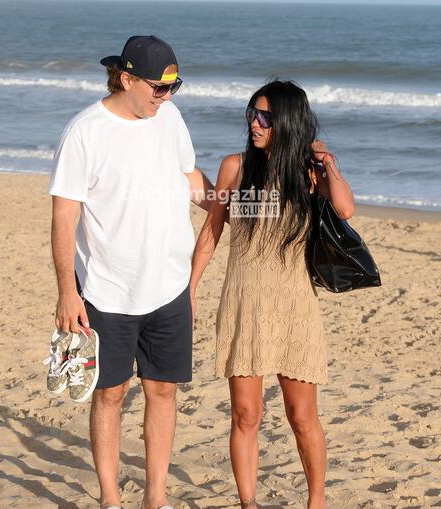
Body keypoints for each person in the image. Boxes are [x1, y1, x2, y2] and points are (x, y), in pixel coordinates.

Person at [48, 35, 213, 509]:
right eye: (159, 88)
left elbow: (189, 178)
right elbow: (64, 216)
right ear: (125, 79)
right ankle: (110, 498)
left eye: (173, 88)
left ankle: (155, 498)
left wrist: (230, 205)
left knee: (163, 391)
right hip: (105, 289)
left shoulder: (171, 118)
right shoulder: (85, 131)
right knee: (111, 395)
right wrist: (67, 292)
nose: (167, 97)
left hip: (169, 284)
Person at [189, 80, 355, 509]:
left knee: (302, 417)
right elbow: (211, 233)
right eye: (252, 114)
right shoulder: (235, 167)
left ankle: (315, 501)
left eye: (265, 116)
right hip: (244, 302)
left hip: (295, 307)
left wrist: (327, 163)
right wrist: (189, 290)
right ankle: (249, 503)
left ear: (286, 122)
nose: (254, 122)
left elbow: (345, 210)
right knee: (246, 415)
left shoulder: (307, 173)